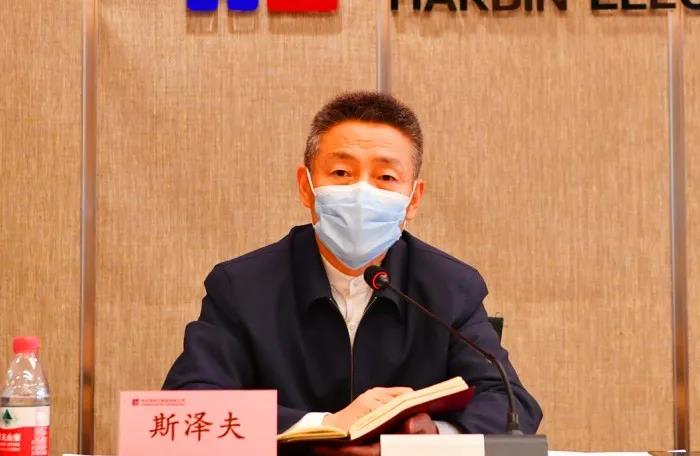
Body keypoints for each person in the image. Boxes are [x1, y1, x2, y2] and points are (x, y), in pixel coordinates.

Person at [163, 91, 542, 455]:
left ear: (413, 199)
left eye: (386, 177)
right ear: (306, 187)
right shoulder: (243, 286)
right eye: (342, 172)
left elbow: (512, 405)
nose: (362, 192)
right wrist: (324, 424)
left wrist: (430, 437)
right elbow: (191, 407)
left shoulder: (450, 287)